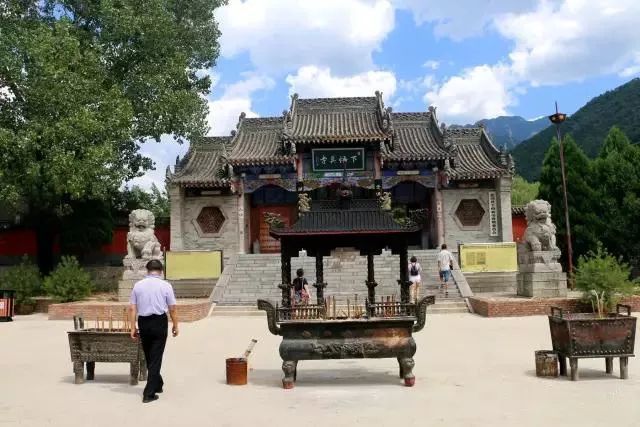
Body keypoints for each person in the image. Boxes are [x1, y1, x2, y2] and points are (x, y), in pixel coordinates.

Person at [129, 259, 178, 403]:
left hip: (143, 322)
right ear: (161, 271)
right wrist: (175, 324)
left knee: (150, 355)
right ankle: (148, 393)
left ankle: (158, 383)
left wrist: (132, 327)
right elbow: (172, 308)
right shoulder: (166, 285)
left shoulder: (138, 286)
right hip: (159, 322)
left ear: (147, 270)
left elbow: (132, 308)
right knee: (155, 356)